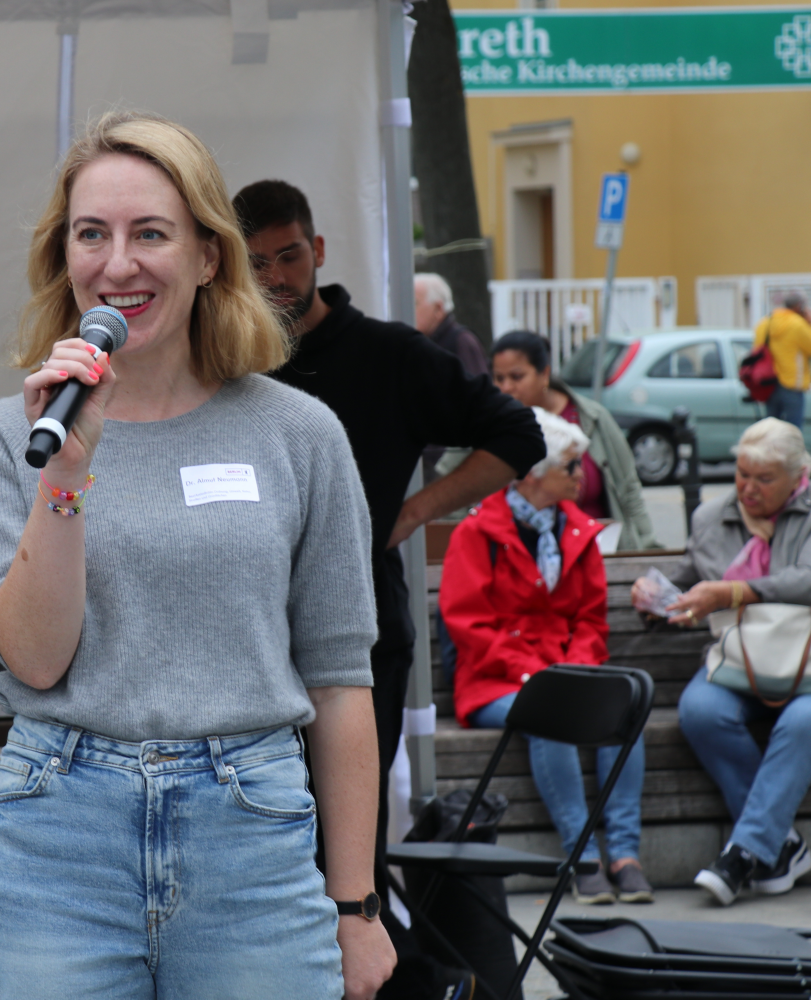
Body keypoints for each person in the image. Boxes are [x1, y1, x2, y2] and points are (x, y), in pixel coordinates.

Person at [0, 113, 396, 1000]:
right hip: (59, 838)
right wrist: (67, 477)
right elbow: (37, 659)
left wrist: (357, 907)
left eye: (150, 233)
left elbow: (342, 681)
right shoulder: (7, 438)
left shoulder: (298, 433)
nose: (118, 264)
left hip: (252, 835)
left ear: (207, 257)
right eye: (92, 235)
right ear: (63, 257)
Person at [231, 180, 544, 911]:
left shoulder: (390, 353)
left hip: (363, 631)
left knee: (348, 849)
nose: (277, 277)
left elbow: (517, 435)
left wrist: (415, 512)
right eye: (257, 264)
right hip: (245, 634)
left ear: (319, 250)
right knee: (258, 843)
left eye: (289, 256)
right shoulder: (226, 359)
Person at [637, 418, 811, 905]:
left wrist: (735, 591)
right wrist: (657, 598)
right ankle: (781, 846)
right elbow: (689, 584)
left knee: (803, 721)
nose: (748, 488)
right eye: (742, 474)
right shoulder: (711, 517)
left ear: (797, 476)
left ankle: (742, 855)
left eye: (764, 479)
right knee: (701, 710)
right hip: (738, 663)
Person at [442, 408, 654, 905]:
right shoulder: (476, 534)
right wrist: (536, 675)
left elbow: (591, 622)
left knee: (626, 713)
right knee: (551, 715)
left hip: (566, 675)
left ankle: (624, 856)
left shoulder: (579, 532)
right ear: (534, 473)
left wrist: (573, 673)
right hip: (495, 681)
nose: (583, 477)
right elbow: (470, 626)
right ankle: (582, 859)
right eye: (571, 468)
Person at [489, 330, 661, 552]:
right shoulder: (489, 425)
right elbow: (455, 483)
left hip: (599, 550)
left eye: (517, 377)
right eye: (498, 378)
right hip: (515, 554)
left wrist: (645, 548)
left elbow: (628, 490)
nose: (506, 388)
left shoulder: (593, 418)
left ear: (544, 374)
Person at [414, 272, 489, 481]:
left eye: (414, 303)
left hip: (447, 465)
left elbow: (476, 405)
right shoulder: (422, 342)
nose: (406, 310)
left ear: (438, 309)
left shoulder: (461, 341)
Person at [752, 292, 811, 429]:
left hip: (769, 383)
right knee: (793, 431)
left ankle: (771, 451)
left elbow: (757, 349)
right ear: (799, 307)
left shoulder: (765, 323)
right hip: (792, 384)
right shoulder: (798, 325)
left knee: (770, 429)